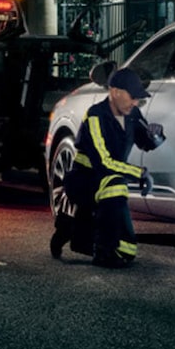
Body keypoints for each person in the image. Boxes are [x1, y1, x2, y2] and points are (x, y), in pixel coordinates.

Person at [50, 67, 164, 269]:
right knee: (116, 185)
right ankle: (102, 252)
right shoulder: (95, 116)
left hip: (108, 179)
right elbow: (103, 162)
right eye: (133, 97)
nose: (136, 102)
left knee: (128, 251)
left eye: (138, 99)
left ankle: (74, 228)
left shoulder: (132, 114)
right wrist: (140, 174)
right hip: (84, 180)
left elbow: (145, 142)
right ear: (115, 92)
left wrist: (156, 135)